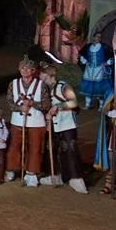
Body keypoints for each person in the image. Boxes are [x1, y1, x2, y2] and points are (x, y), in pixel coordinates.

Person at [40, 63, 88, 193]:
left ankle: (75, 178)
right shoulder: (45, 89)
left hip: (67, 124)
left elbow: (73, 102)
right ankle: (55, 175)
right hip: (53, 124)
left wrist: (58, 106)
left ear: (48, 74)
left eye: (42, 73)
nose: (40, 76)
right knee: (52, 149)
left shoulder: (63, 86)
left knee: (70, 149)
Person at [7, 58, 48, 186]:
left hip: (36, 122)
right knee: (15, 145)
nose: (24, 70)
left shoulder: (41, 85)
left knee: (35, 147)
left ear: (33, 70)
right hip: (18, 120)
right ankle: (12, 169)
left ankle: (32, 172)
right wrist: (20, 107)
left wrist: (32, 104)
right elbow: (9, 102)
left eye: (27, 68)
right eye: (22, 68)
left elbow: (46, 104)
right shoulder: (13, 84)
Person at [78, 31, 112, 109]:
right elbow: (81, 55)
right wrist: (85, 61)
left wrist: (107, 63)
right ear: (93, 37)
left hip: (100, 69)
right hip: (89, 70)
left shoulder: (104, 47)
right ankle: (87, 105)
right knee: (88, 88)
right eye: (97, 36)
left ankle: (101, 105)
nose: (98, 38)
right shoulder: (88, 46)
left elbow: (112, 56)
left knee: (100, 89)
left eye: (100, 37)